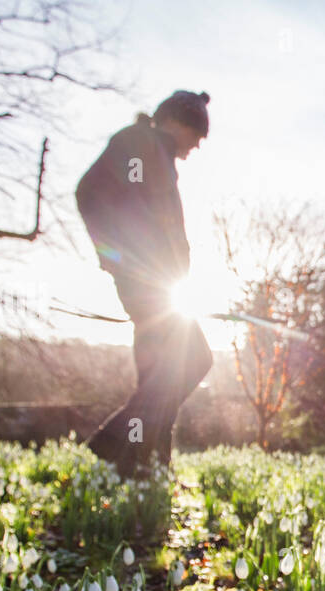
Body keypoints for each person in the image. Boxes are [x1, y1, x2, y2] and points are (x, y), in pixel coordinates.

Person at [76, 90, 214, 476]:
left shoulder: (157, 154)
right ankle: (110, 445)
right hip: (148, 282)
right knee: (194, 359)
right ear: (176, 121)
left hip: (162, 284)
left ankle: (145, 463)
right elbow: (89, 193)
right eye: (197, 133)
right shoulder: (139, 144)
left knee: (159, 372)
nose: (198, 145)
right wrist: (117, 257)